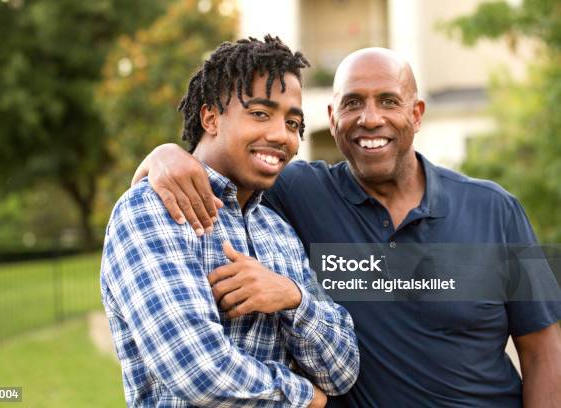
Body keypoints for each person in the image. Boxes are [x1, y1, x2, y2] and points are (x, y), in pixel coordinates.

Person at [133, 47, 561, 407]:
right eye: (353, 103)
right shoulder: (298, 192)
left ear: (417, 113)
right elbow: (230, 161)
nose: (370, 118)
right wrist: (166, 154)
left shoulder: (497, 209)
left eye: (389, 101)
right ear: (332, 117)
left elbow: (544, 349)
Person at [100, 35, 359, 407]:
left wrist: (292, 298)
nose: (279, 134)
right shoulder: (152, 211)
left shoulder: (279, 231)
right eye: (260, 114)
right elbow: (198, 370)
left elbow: (343, 370)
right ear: (210, 117)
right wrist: (307, 400)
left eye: (292, 122)